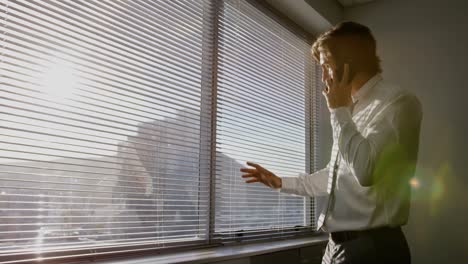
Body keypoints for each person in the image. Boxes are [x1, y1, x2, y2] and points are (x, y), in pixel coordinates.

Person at [240, 21, 422, 264]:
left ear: (349, 62)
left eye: (325, 66)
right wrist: (280, 182)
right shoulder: (351, 109)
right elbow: (335, 177)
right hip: (335, 248)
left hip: (373, 250)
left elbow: (366, 172)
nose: (323, 76)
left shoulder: (396, 102)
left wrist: (338, 110)